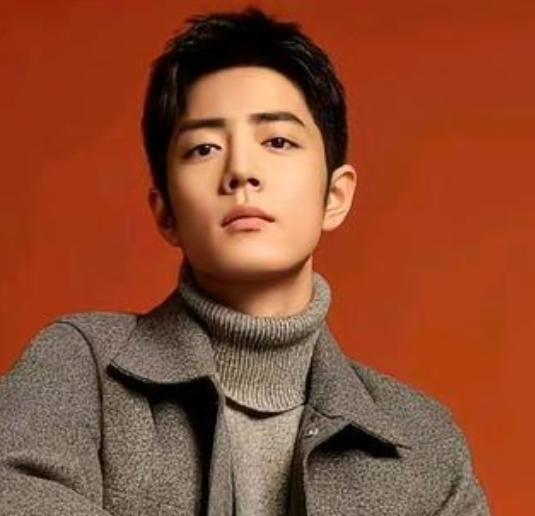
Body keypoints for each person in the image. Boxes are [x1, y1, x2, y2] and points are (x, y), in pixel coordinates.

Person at [0, 7, 491, 515]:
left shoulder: (425, 448)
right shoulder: (80, 368)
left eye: (277, 141)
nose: (240, 170)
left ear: (335, 196)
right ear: (166, 212)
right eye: (204, 148)